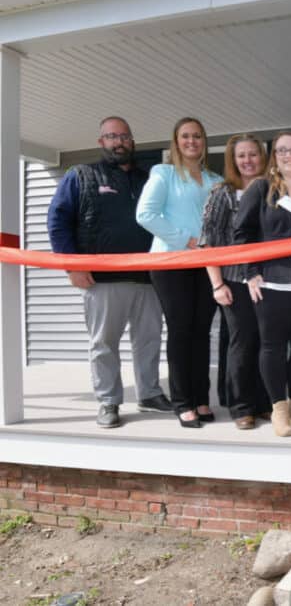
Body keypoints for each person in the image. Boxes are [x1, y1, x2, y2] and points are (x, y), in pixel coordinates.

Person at [47, 116, 172, 429]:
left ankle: (150, 394)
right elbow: (58, 221)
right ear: (101, 141)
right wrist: (72, 265)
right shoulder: (82, 175)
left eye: (125, 136)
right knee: (104, 343)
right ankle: (109, 401)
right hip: (102, 279)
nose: (119, 142)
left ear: (132, 141)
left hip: (148, 277)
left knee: (149, 340)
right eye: (112, 136)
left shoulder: (149, 180)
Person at [233, 132, 291, 437]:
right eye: (282, 150)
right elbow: (242, 233)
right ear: (274, 156)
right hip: (274, 283)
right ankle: (279, 409)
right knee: (272, 347)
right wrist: (250, 272)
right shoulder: (261, 189)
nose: (288, 155)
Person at [136, 117, 222, 429]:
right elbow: (145, 214)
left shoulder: (215, 179)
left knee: (202, 332)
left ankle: (201, 398)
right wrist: (187, 240)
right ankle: (183, 401)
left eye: (197, 136)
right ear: (176, 141)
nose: (191, 141)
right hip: (171, 262)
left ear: (204, 141)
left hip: (207, 264)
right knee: (182, 331)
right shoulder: (164, 173)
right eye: (185, 136)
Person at [201, 134, 272, 430]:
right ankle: (241, 406)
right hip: (234, 279)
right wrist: (217, 284)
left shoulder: (274, 190)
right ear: (233, 161)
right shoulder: (223, 193)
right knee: (242, 342)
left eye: (253, 154)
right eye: (241, 156)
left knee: (266, 342)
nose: (248, 161)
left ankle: (263, 401)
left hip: (269, 279)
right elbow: (209, 242)